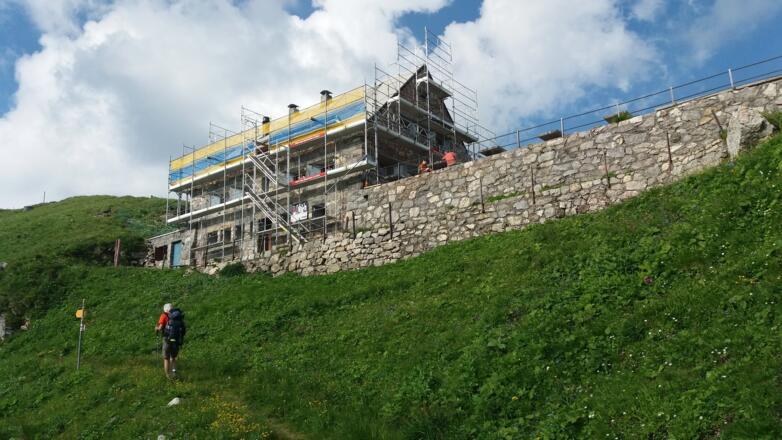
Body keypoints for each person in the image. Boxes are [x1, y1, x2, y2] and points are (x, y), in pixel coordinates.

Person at [155, 303, 186, 379]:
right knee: (173, 357)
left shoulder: (164, 316)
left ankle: (168, 375)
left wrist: (156, 328)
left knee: (166, 358)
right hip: (176, 340)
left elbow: (161, 327)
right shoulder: (177, 317)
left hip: (167, 339)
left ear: (165, 310)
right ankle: (174, 372)